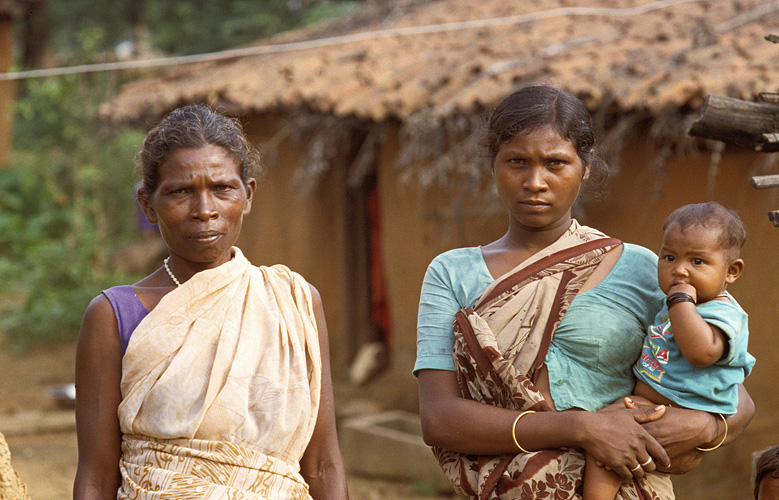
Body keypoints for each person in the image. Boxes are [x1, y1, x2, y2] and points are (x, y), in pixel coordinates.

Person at [414, 85, 754, 499]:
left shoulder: (647, 269)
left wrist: (704, 426)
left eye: (555, 163)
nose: (535, 181)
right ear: (493, 164)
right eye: (516, 162)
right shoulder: (452, 272)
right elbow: (440, 419)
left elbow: (733, 392)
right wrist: (582, 428)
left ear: (586, 166)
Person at [73, 104, 348, 499]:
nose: (205, 211)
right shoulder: (114, 315)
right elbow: (96, 477)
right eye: (181, 192)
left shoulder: (295, 304)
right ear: (148, 204)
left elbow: (323, 463)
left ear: (247, 195)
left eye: (222, 189)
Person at [582, 202, 755, 499]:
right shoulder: (677, 304)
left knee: (606, 453)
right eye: (669, 257)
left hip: (678, 416)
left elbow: (701, 353)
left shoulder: (722, 314)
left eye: (697, 262)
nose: (680, 270)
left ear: (731, 272)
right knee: (601, 436)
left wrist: (681, 304)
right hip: (649, 406)